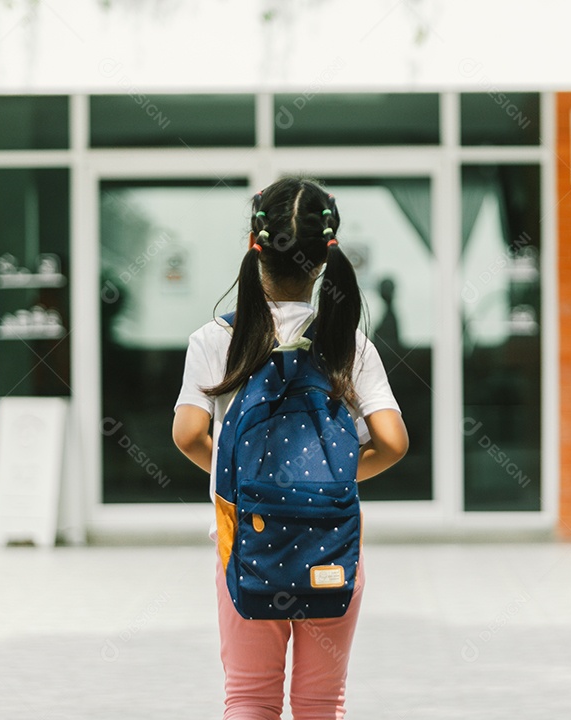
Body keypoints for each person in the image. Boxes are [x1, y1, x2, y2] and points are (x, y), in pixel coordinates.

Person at [172, 177, 409, 719]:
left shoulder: (215, 341)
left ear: (256, 248)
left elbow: (187, 434)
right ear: (323, 259)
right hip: (330, 548)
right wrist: (336, 477)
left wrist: (236, 475)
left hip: (247, 548)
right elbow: (393, 443)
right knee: (322, 703)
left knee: (249, 700)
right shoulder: (348, 343)